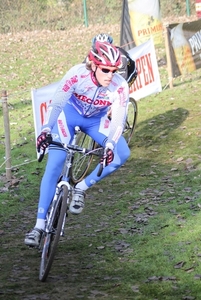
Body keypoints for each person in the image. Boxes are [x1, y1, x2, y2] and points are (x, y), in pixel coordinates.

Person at [24, 41, 130, 247]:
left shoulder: (119, 86)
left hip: (95, 121)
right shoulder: (77, 73)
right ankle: (38, 226)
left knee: (122, 153)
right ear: (93, 65)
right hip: (68, 115)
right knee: (55, 163)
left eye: (115, 70)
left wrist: (110, 144)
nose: (110, 75)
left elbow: (118, 119)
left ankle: (80, 188)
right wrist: (46, 128)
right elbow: (57, 103)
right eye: (106, 70)